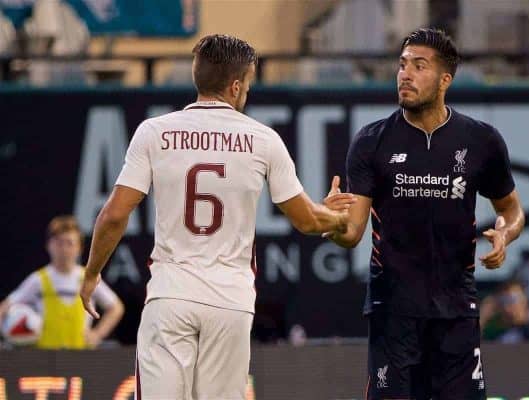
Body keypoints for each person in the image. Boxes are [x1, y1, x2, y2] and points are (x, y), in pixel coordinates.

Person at [79, 34, 354, 400]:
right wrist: (336, 219)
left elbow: (114, 215)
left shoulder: (154, 132)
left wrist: (92, 273)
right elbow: (305, 220)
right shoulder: (263, 139)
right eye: (249, 84)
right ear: (236, 85)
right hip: (230, 301)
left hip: (170, 297)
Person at [323, 28, 525, 399]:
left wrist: (505, 233)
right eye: (402, 65)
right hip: (393, 311)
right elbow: (352, 233)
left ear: (445, 79)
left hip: (457, 310)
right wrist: (330, 221)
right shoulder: (371, 141)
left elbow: (511, 210)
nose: (405, 74)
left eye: (419, 66)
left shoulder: (481, 140)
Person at [0, 215, 124, 349]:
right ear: (48, 245)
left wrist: (97, 334)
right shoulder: (38, 280)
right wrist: (8, 332)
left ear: (79, 248)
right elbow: (5, 306)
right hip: (45, 360)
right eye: (59, 242)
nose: (64, 249)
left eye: (69, 243)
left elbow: (116, 307)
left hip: (81, 358)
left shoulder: (88, 278)